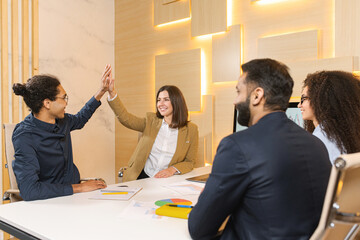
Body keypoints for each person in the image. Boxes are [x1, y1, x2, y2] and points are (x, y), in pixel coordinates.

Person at [188, 59, 331, 239]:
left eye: (239, 91)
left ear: (257, 95)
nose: (235, 101)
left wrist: (207, 198)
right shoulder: (315, 143)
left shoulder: (236, 146)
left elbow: (199, 228)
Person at [12, 65, 112, 201]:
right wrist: (79, 188)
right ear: (47, 103)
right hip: (49, 202)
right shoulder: (24, 136)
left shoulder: (62, 121)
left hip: (74, 196)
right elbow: (30, 191)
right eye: (64, 98)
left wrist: (101, 91)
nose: (66, 103)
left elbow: (81, 119)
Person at [107, 70, 199, 182]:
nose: (161, 104)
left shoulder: (191, 130)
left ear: (177, 102)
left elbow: (190, 161)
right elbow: (126, 118)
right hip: (141, 177)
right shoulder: (151, 120)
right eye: (158, 100)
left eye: (166, 100)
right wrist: (112, 93)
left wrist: (172, 170)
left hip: (167, 180)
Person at [298, 70, 360, 164]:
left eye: (303, 99)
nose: (299, 105)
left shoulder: (321, 139)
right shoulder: (343, 135)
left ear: (321, 100)